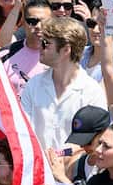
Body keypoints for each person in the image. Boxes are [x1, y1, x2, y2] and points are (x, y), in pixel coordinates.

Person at [19, 16, 106, 151]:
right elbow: (23, 132)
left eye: (45, 43)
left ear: (66, 50)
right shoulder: (33, 85)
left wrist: (59, 160)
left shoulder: (92, 92)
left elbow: (92, 144)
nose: (40, 47)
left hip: (73, 170)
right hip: (38, 169)